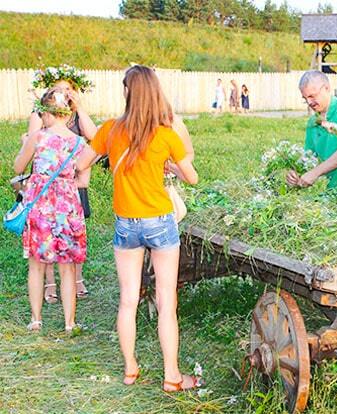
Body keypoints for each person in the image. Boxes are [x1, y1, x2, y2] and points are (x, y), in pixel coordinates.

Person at [77, 65, 200, 391]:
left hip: (126, 225)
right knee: (166, 302)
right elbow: (192, 177)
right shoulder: (165, 134)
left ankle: (130, 369)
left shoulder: (111, 130)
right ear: (155, 93)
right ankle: (172, 376)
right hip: (160, 223)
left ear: (127, 92)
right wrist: (170, 164)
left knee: (128, 300)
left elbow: (80, 163)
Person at [14, 89, 88, 332]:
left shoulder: (38, 138)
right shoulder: (79, 142)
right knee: (67, 267)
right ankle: (70, 323)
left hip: (41, 206)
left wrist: (26, 144)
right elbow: (83, 181)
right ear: (67, 114)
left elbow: (18, 167)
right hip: (68, 208)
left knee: (37, 264)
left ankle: (36, 320)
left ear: (46, 112)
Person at [28, 66, 97, 304]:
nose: (64, 93)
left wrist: (79, 108)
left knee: (71, 234)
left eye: (68, 89)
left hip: (72, 182)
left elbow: (95, 137)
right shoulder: (41, 113)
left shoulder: (77, 115)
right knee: (46, 233)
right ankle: (49, 284)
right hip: (49, 182)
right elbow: (33, 140)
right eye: (58, 89)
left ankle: (76, 279)